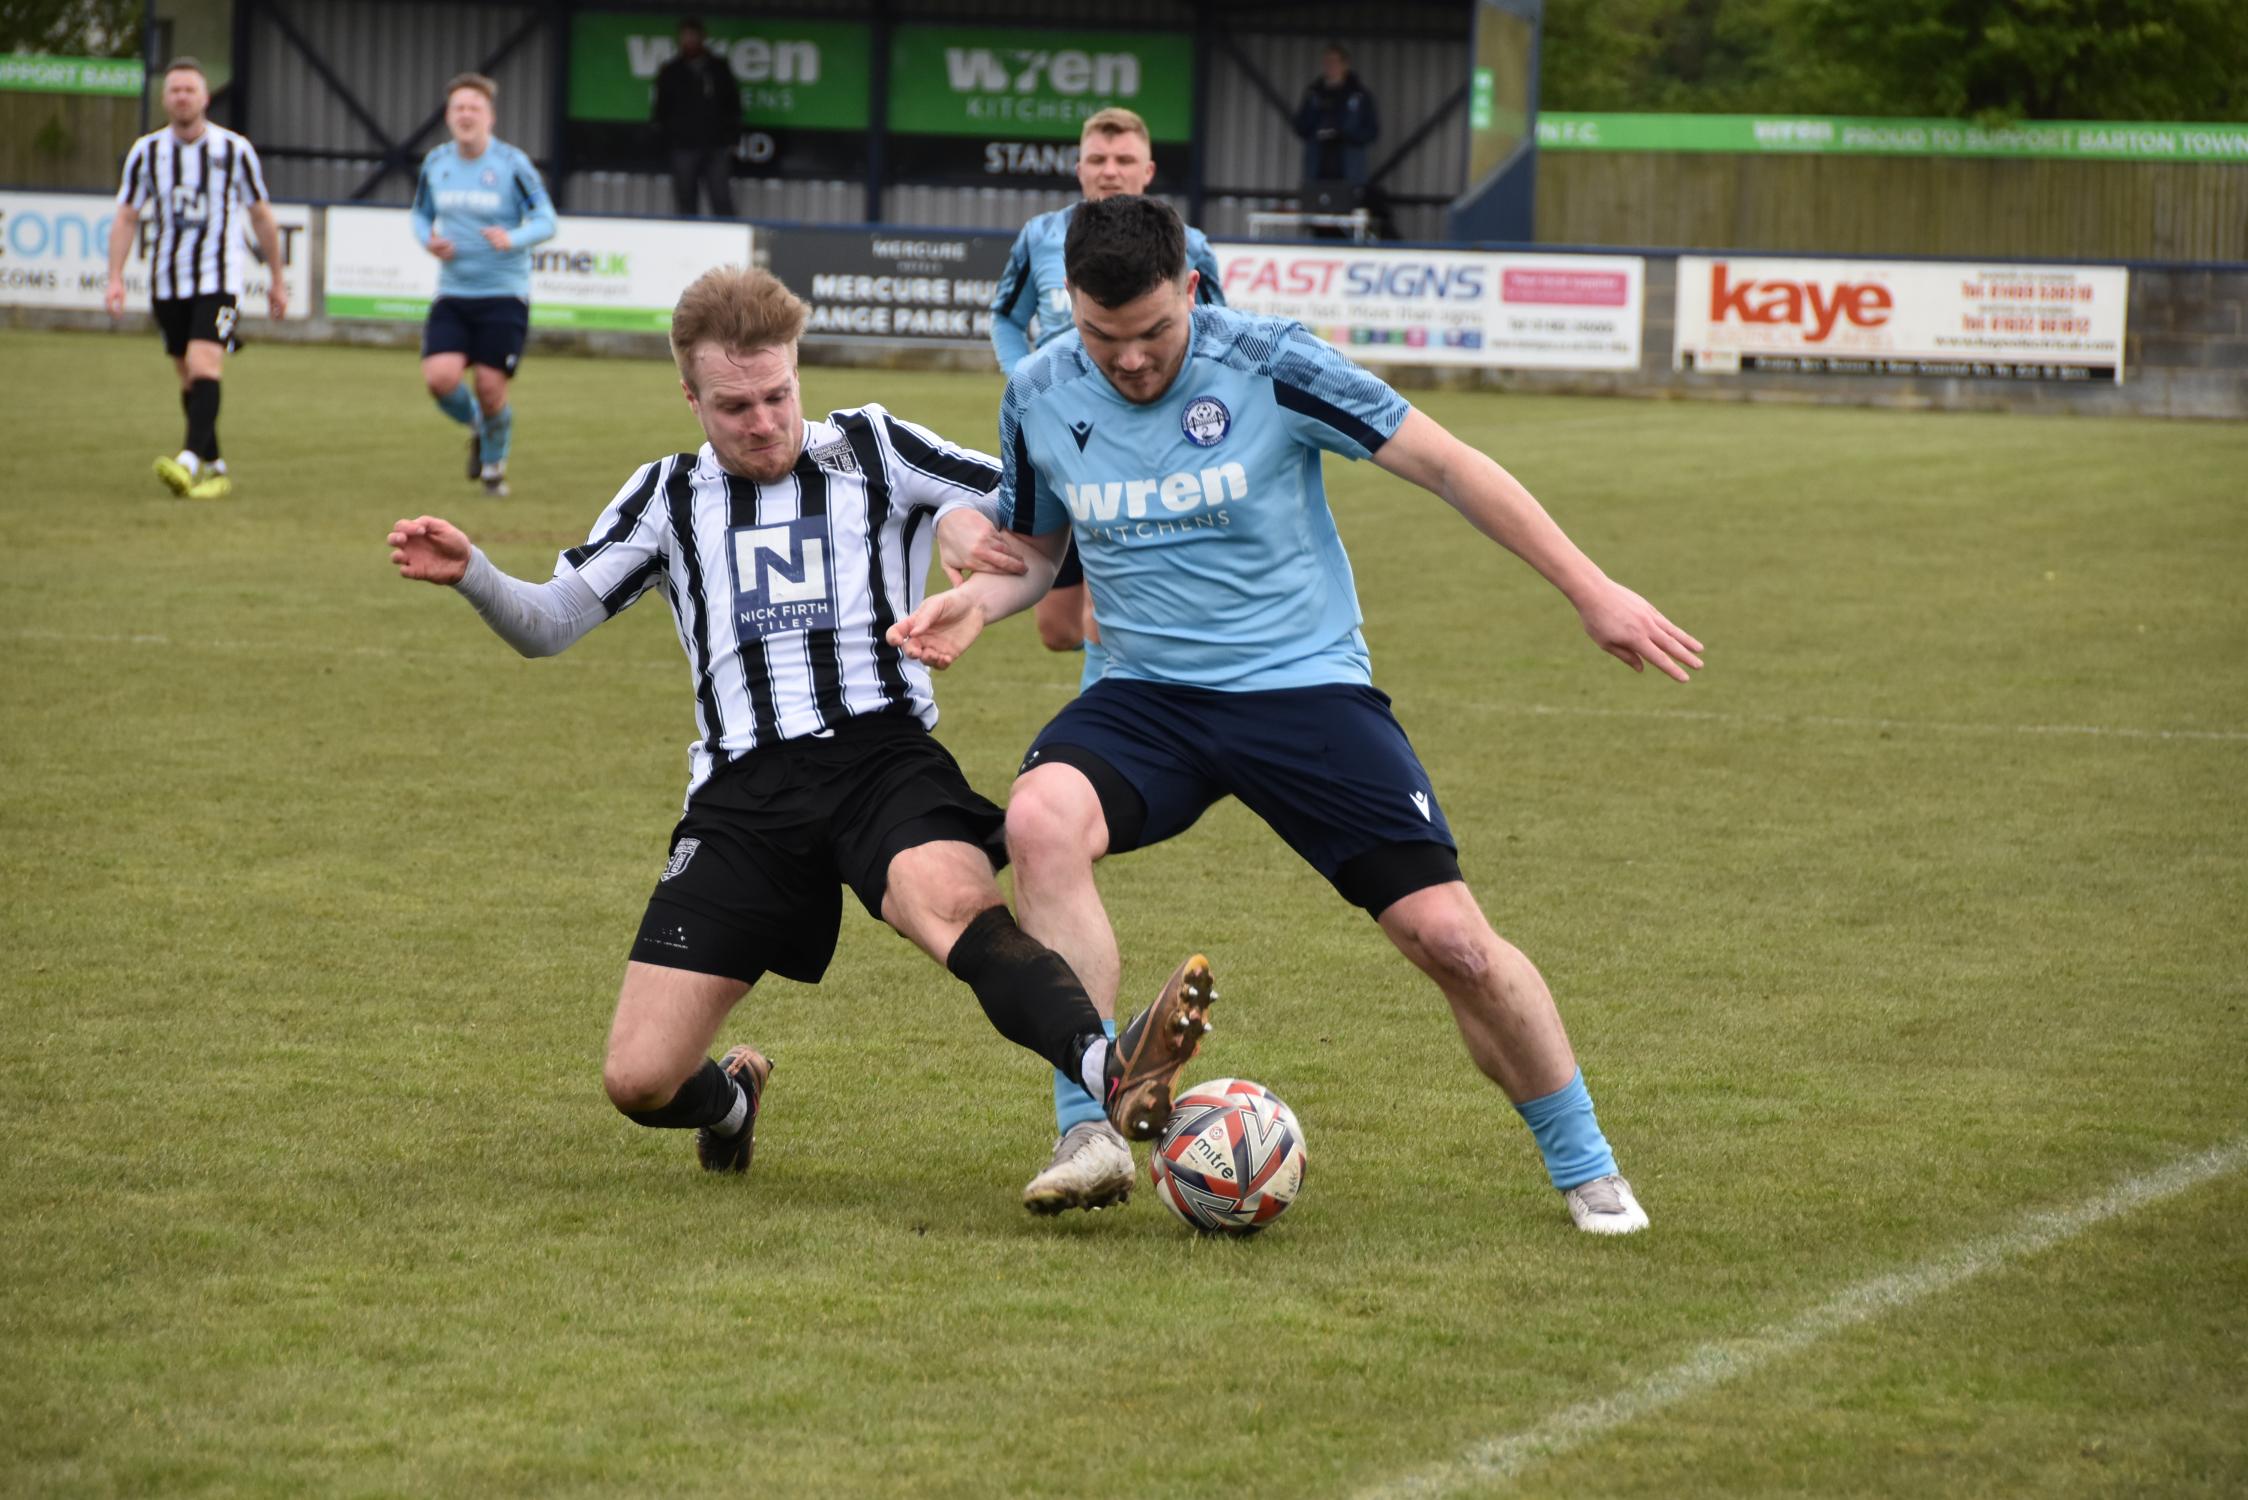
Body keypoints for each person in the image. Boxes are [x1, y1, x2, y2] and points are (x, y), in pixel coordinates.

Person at [891, 197, 1705, 1234]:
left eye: (1152, 333)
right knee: (1040, 819)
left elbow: (1448, 464)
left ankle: (1584, 1163)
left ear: (1190, 290)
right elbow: (1043, 554)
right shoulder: (1040, 389)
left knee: (1449, 939)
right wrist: (976, 600)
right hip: (1143, 698)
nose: (1130, 361)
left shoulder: (1274, 362)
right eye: (1104, 337)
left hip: (1301, 688)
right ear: (1072, 317)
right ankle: (1088, 1124)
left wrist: (1590, 590)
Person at [386, 266, 1211, 1198]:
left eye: (778, 394)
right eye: (734, 405)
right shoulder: (665, 497)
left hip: (882, 758)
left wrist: (961, 523)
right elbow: (549, 624)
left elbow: (1029, 505)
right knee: (640, 1080)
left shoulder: (873, 446)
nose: (764, 420)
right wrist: (475, 573)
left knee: (952, 907)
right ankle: (732, 1104)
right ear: (690, 397)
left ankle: (1111, 1073)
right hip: (743, 795)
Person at [987, 109, 1234, 1212]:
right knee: (1054, 622)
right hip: (1074, 447)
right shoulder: (1038, 245)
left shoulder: (1195, 261)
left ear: (1147, 171)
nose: (1106, 172)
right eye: (1094, 160)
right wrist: (1043, 375)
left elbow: (1222, 353)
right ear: (1077, 171)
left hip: (1165, 468)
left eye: (1124, 161)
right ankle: (1120, 695)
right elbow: (1003, 325)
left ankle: (1126, 687)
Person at [105, 57, 287, 502]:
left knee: (206, 365)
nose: (182, 96)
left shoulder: (233, 149)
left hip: (218, 279)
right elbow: (127, 215)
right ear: (165, 98)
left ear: (206, 97)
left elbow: (260, 214)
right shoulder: (146, 152)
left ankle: (187, 461)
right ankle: (217, 467)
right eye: (175, 90)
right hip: (167, 282)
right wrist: (114, 277)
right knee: (189, 378)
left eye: (190, 89)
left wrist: (278, 278)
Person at [411, 72, 556, 499]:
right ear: (448, 116)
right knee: (440, 379)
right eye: (459, 107)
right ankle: (477, 423)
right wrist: (428, 240)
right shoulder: (436, 163)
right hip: (453, 292)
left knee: (493, 389)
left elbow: (547, 220)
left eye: (475, 107)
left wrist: (513, 238)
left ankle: (494, 466)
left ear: (490, 116)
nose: (466, 114)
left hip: (504, 294)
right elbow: (419, 215)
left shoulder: (512, 165)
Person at [651, 17, 738, 218]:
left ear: (703, 38)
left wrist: (732, 138)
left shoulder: (718, 69)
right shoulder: (671, 70)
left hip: (716, 145)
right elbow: (660, 109)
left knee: (721, 198)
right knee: (685, 200)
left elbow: (733, 105)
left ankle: (727, 242)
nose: (689, 41)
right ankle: (687, 245)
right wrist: (665, 138)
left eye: (693, 36)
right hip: (682, 145)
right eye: (685, 37)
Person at [1294, 44, 1379, 188]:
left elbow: (1372, 131)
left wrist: (1346, 135)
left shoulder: (1359, 95)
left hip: (1350, 170)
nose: (1330, 66)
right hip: (1317, 169)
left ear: (1345, 65)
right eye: (1326, 62)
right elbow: (1300, 126)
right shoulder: (1314, 94)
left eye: (1334, 61)